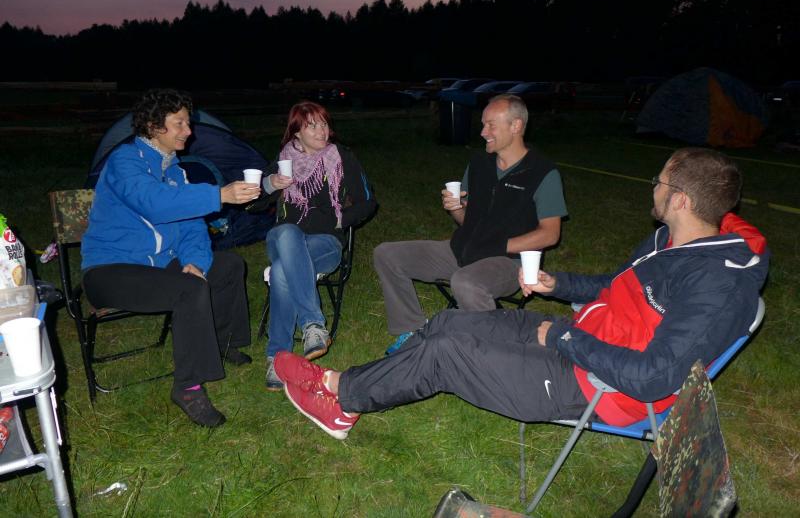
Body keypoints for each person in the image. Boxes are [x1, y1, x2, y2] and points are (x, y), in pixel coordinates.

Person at [273, 147, 769, 440]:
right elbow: (616, 286)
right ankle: (351, 384)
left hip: (597, 387)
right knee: (446, 322)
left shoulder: (718, 285)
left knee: (445, 354)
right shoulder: (669, 241)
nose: (652, 187)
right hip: (582, 338)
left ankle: (340, 399)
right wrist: (560, 285)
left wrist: (564, 339)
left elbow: (653, 377)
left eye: (658, 181)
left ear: (680, 200)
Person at [81, 89, 260, 427]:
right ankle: (188, 388)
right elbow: (154, 203)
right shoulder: (124, 162)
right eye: (179, 123)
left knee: (228, 266)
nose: (188, 131)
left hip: (160, 264)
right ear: (153, 126)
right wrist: (219, 194)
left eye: (188, 123)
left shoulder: (176, 172)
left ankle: (223, 343)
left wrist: (196, 262)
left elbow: (193, 228)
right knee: (188, 290)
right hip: (110, 269)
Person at [373, 94, 567, 354]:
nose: (483, 132)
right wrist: (456, 208)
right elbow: (467, 220)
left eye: (491, 125)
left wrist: (499, 245)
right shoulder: (479, 164)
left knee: (466, 282)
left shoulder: (542, 172)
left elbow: (550, 234)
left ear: (516, 125)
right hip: (464, 249)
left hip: (509, 262)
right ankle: (411, 333)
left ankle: (495, 352)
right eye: (483, 124)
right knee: (387, 254)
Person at [261, 101, 376, 391]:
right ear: (296, 132)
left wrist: (339, 221)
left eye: (323, 123)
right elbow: (252, 203)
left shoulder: (342, 157)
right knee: (288, 232)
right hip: (281, 239)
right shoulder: (283, 160)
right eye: (311, 126)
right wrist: (271, 183)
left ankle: (277, 358)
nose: (321, 131)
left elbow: (368, 202)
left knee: (281, 271)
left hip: (324, 244)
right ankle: (313, 324)